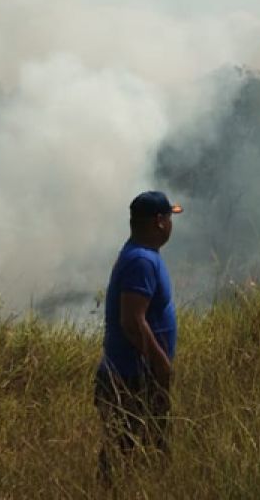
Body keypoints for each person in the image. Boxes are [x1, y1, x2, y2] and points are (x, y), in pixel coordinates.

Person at [94, 190, 182, 483]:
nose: (171, 223)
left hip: (135, 376)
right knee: (126, 453)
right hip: (133, 378)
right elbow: (132, 321)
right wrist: (161, 364)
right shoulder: (142, 261)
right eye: (170, 217)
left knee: (141, 450)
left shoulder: (142, 256)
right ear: (159, 222)